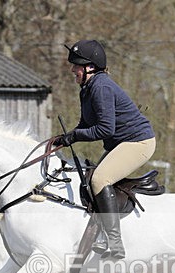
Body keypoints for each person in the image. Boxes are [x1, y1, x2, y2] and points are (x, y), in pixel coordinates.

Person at [53, 39, 156, 260]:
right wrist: (65, 139)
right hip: (121, 143)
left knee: (99, 180)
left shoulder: (101, 87)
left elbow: (104, 129)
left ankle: (114, 241)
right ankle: (101, 232)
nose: (73, 70)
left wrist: (75, 136)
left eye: (76, 65)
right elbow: (85, 125)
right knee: (89, 179)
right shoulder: (87, 89)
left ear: (90, 67)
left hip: (138, 142)